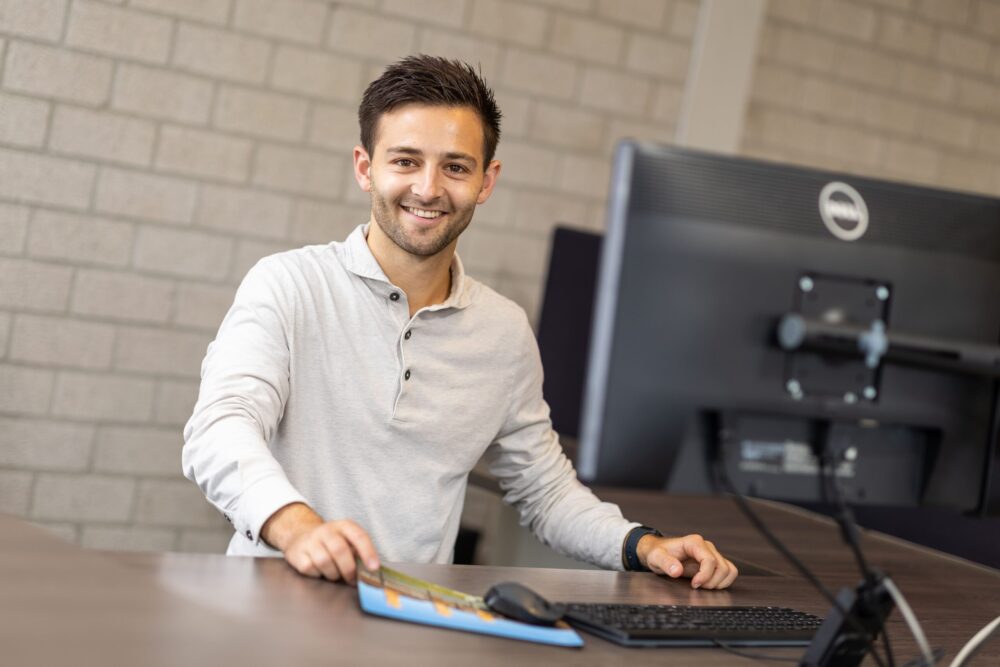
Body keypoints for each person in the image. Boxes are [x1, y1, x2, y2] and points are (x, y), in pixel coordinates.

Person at [183, 55, 738, 591]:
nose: (428, 189)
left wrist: (643, 545)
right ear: (364, 168)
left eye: (455, 166)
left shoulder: (504, 332)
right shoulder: (288, 284)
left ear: (486, 180)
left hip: (416, 622)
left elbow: (544, 492)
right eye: (405, 161)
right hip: (273, 603)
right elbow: (218, 429)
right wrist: (298, 526)